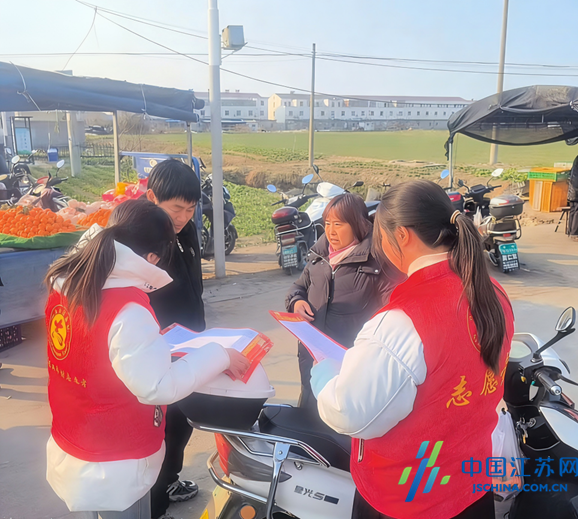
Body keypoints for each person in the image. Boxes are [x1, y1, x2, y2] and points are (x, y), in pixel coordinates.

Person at [310, 180, 514, 519]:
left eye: (381, 236)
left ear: (402, 235)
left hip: (410, 498)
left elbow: (350, 412)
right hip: (471, 487)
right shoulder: (493, 293)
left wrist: (326, 378)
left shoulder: (401, 322)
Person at [44, 199, 249, 518]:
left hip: (73, 443)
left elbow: (93, 355)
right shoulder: (127, 309)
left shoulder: (68, 284)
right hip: (116, 459)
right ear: (152, 258)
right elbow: (157, 387)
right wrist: (218, 355)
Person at [285, 193, 401, 413]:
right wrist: (297, 302)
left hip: (349, 364)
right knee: (310, 415)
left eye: (338, 224)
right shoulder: (319, 256)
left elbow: (393, 313)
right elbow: (298, 287)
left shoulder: (378, 261)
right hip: (311, 356)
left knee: (342, 418)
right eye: (327, 223)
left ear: (358, 225)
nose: (331, 231)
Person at [144, 159, 207, 518]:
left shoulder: (188, 231)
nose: (184, 217)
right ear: (152, 197)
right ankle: (153, 504)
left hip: (190, 344)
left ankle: (170, 479)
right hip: (157, 349)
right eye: (176, 208)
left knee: (182, 422)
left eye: (191, 208)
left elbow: (193, 286)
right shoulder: (141, 241)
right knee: (159, 426)